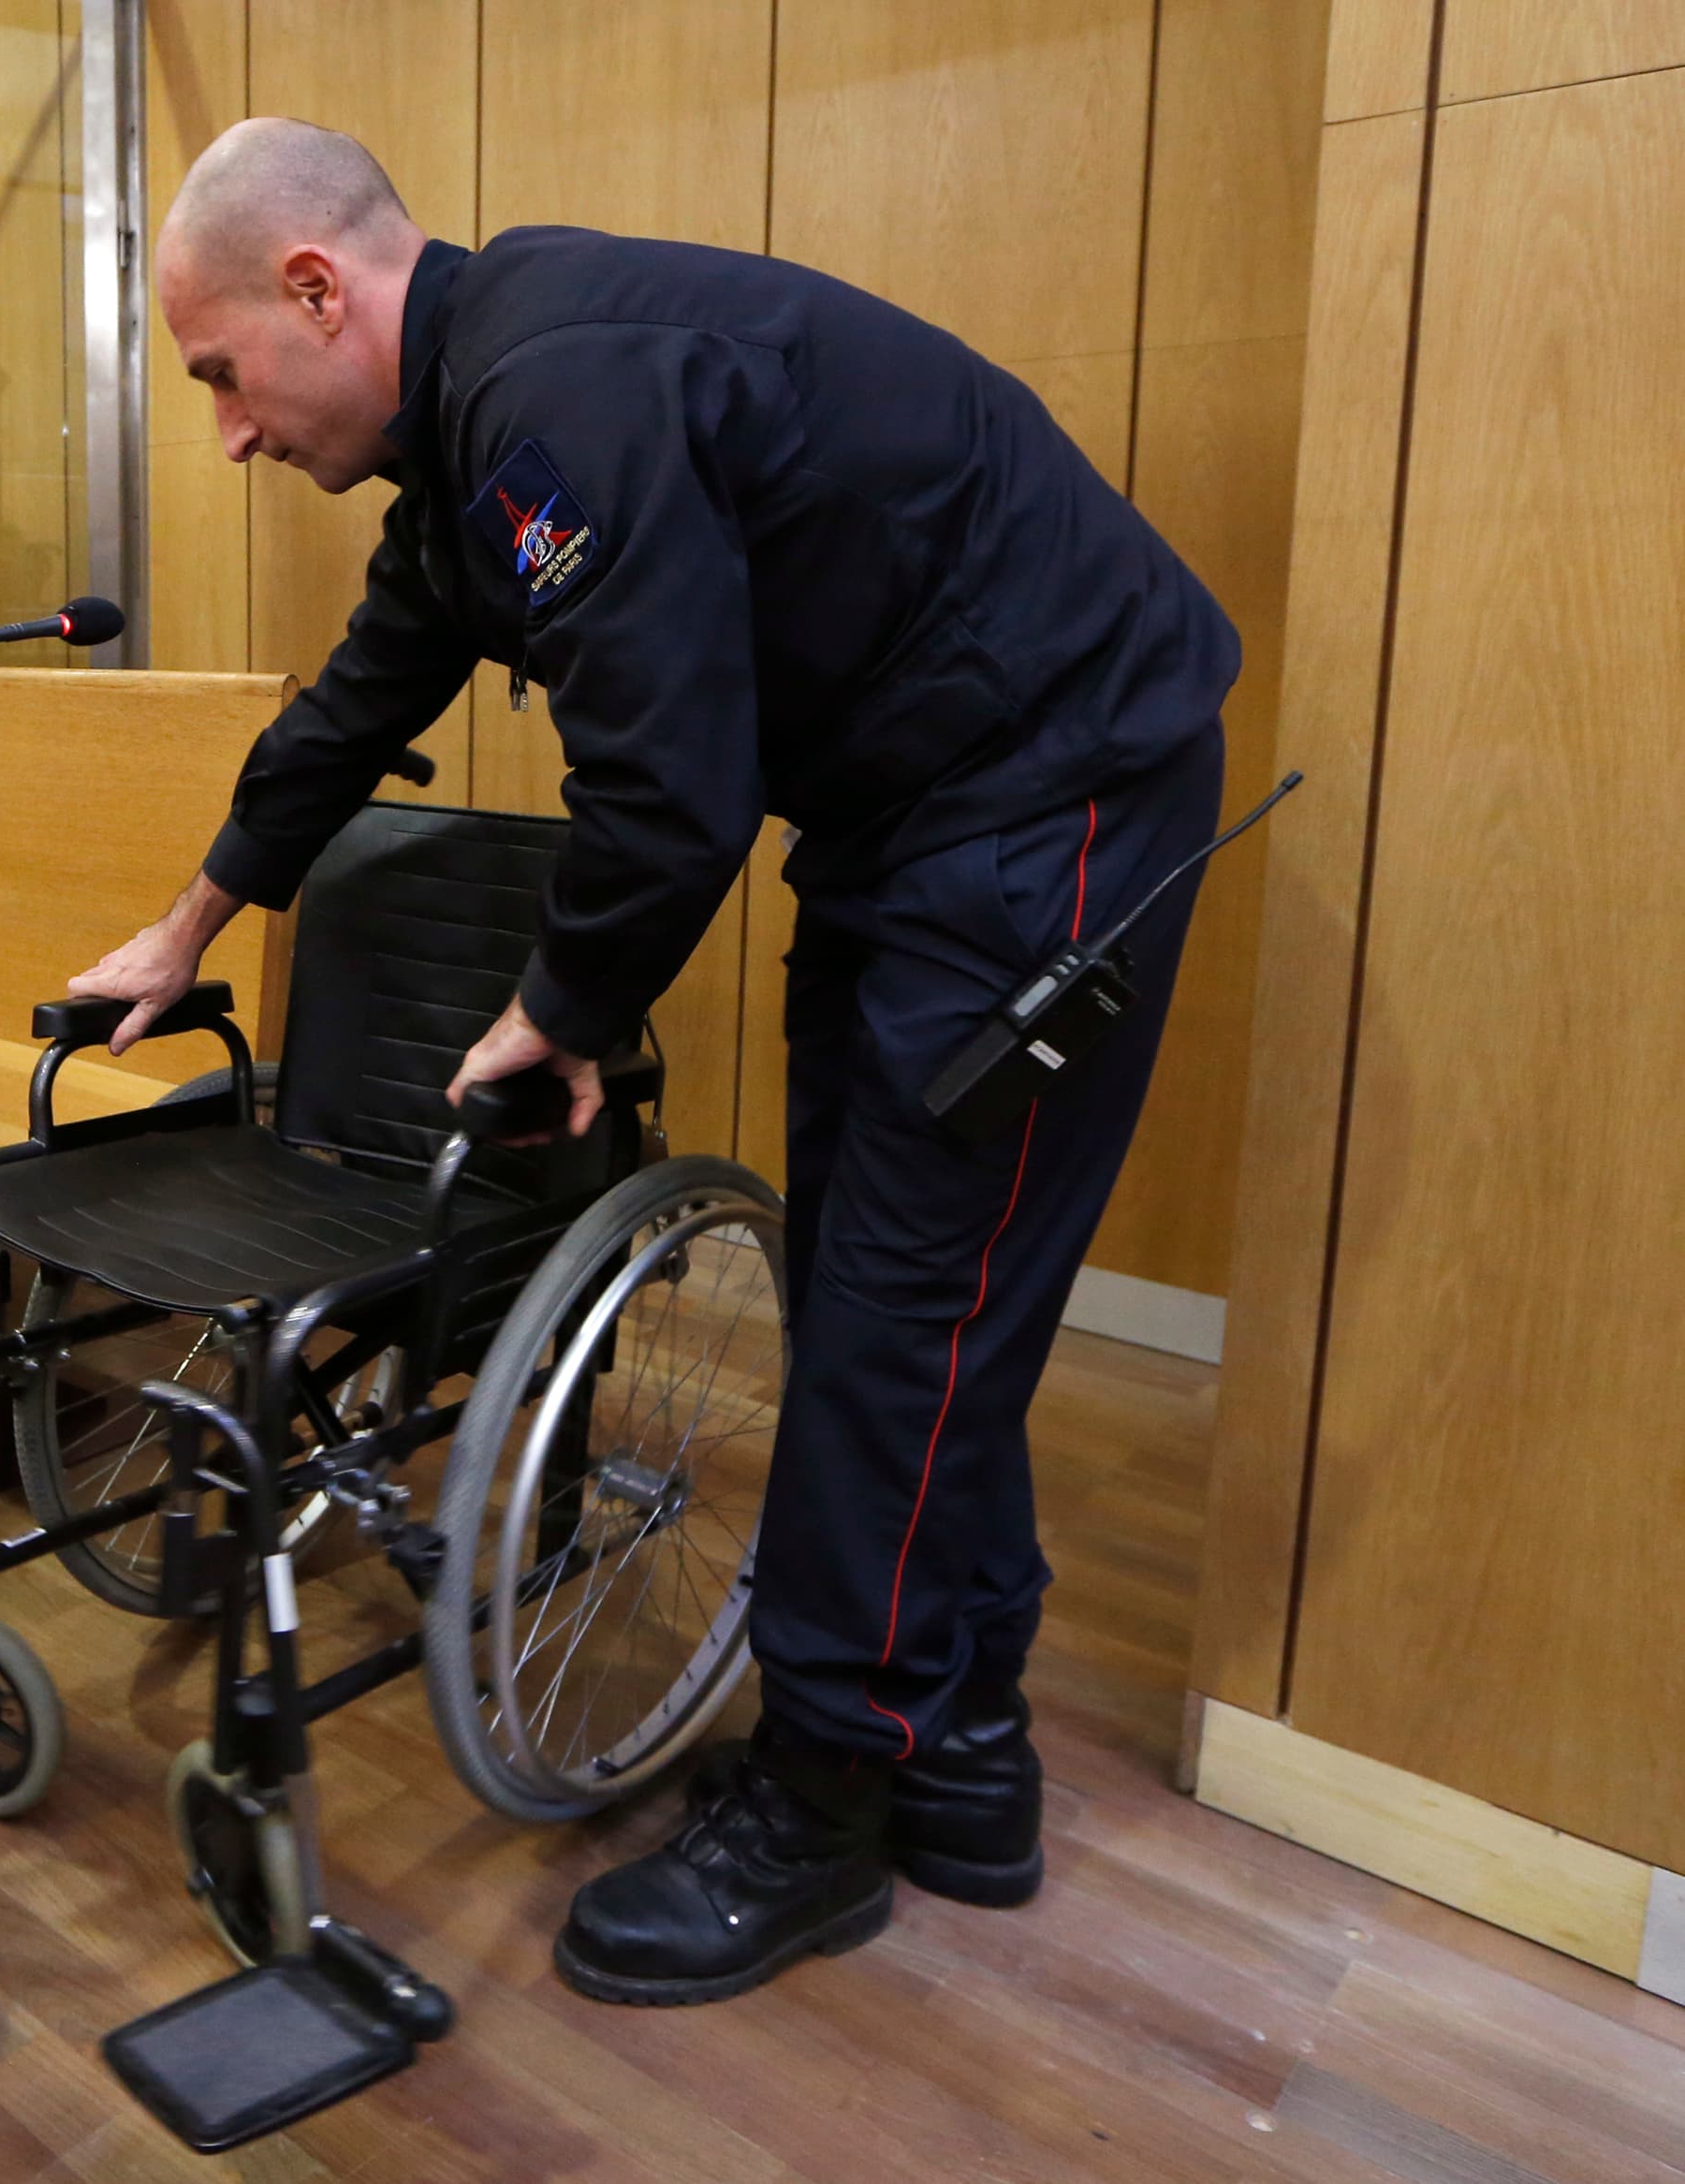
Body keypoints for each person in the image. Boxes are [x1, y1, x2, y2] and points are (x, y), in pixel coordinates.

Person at [70, 120, 1235, 2004]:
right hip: (921, 808)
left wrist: (560, 1009)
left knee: (899, 1308)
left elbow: (667, 790)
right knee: (901, 1292)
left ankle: (830, 1790)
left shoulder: (552, 393)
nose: (226, 429)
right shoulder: (475, 436)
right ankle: (962, 1759)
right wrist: (192, 922)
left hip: (1053, 793)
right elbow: (364, 695)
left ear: (314, 290)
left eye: (217, 373)